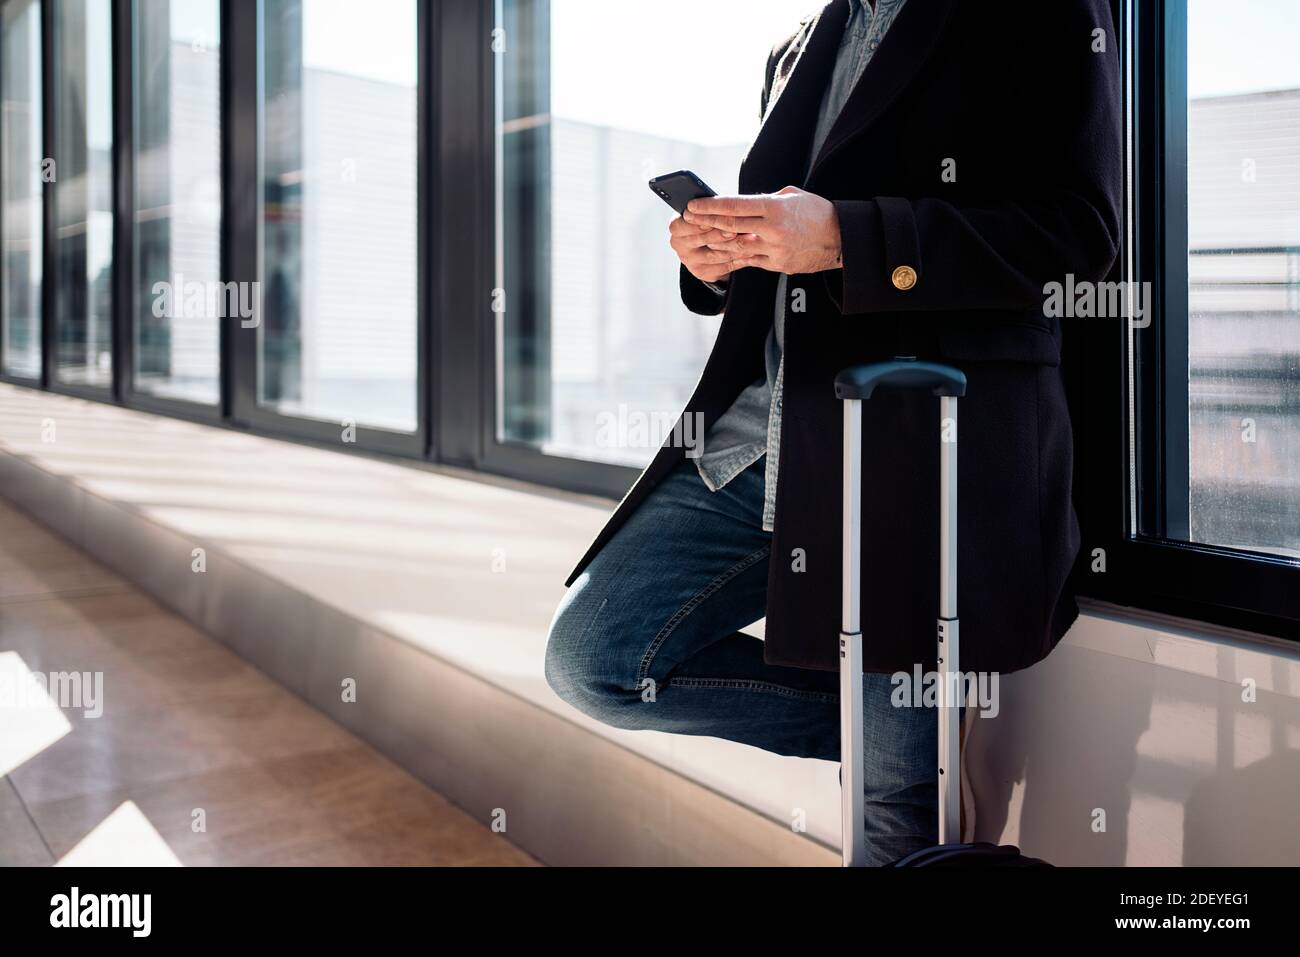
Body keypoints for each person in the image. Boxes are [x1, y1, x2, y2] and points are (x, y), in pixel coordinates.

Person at [544, 0, 1122, 864]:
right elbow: (791, 250)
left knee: (890, 816)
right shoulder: (798, 44)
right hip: (763, 435)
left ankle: (910, 740)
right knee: (594, 658)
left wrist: (853, 238)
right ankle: (905, 724)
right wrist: (720, 260)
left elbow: (1079, 236)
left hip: (912, 447)